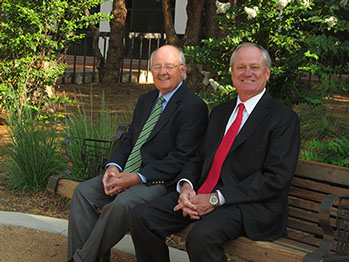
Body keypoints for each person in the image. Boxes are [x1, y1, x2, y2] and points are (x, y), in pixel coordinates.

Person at [130, 42, 301, 262]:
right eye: (240, 67)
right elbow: (198, 157)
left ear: (267, 73)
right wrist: (186, 187)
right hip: (201, 194)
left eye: (254, 67)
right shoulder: (221, 112)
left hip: (247, 205)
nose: (247, 73)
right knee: (142, 217)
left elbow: (276, 177)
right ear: (232, 73)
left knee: (201, 236)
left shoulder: (283, 118)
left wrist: (216, 199)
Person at [67, 45, 208, 262]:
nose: (163, 72)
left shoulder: (193, 106)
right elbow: (130, 140)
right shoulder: (146, 100)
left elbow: (181, 156)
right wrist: (114, 167)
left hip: (158, 182)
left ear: (183, 69)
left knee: (121, 205)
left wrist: (136, 178)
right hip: (128, 173)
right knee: (83, 192)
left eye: (169, 67)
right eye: (157, 67)